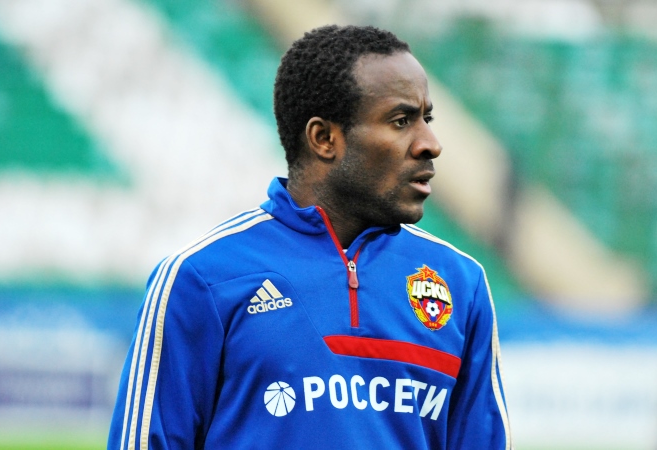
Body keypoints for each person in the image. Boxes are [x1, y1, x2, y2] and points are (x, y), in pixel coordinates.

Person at [108, 25, 512, 450]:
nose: (430, 144)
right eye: (401, 121)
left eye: (426, 119)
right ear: (324, 139)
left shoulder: (460, 283)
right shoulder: (202, 278)